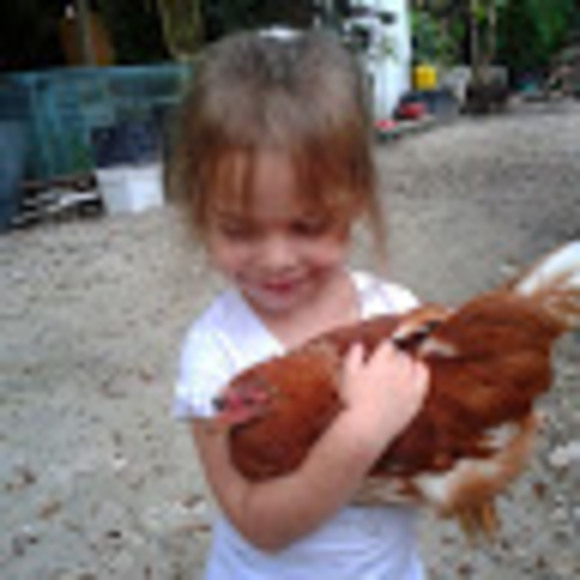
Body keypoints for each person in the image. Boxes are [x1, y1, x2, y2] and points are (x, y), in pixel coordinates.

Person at [169, 28, 429, 579]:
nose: (276, 259)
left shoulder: (396, 312)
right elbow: (254, 521)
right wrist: (358, 435)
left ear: (356, 200)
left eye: (308, 225)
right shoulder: (215, 354)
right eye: (239, 230)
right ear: (199, 214)